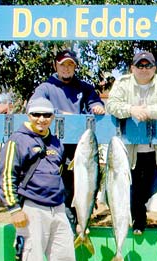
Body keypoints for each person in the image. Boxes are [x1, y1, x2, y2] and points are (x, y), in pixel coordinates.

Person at [0, 97, 77, 261]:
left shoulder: (56, 142)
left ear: (53, 117)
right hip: (32, 210)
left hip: (57, 209)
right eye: (36, 114)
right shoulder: (17, 140)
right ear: (28, 115)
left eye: (47, 115)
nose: (41, 119)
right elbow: (5, 177)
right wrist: (15, 209)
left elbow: (61, 173)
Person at [30, 49, 105, 232]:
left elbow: (95, 103)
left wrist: (97, 107)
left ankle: (79, 223)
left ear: (75, 67)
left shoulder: (84, 87)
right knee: (57, 188)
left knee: (80, 187)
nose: (66, 68)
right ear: (56, 65)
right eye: (63, 64)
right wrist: (59, 113)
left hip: (80, 149)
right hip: (53, 148)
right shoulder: (46, 87)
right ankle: (64, 227)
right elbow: (33, 106)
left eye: (70, 64)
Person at [106, 51, 157, 235]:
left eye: (148, 66)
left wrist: (150, 111)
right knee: (132, 187)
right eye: (140, 65)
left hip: (156, 150)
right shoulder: (122, 83)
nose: (144, 69)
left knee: (153, 185)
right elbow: (112, 105)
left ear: (154, 68)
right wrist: (131, 109)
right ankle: (138, 219)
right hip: (129, 149)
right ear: (132, 68)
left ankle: (140, 210)